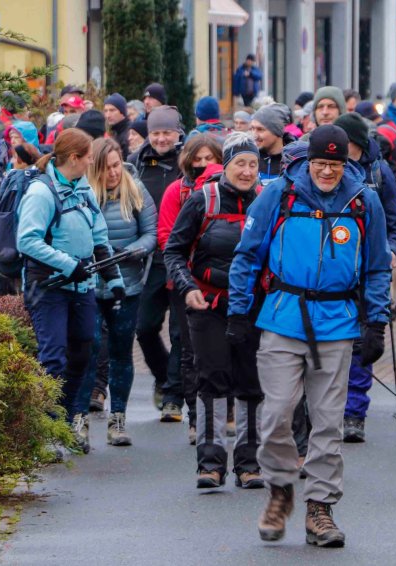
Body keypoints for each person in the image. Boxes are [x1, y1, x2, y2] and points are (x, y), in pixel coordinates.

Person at [229, 125, 391, 547]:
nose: (326, 172)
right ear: (308, 161)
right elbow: (247, 255)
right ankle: (281, 489)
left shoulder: (363, 202)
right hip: (283, 317)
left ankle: (320, 509)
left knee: (328, 422)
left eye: (335, 165)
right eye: (320, 163)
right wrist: (239, 311)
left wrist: (377, 322)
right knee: (278, 412)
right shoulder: (279, 195)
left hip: (337, 322)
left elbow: (375, 267)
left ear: (346, 164)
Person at [16, 128, 124, 457]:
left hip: (82, 286)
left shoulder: (83, 190)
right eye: (90, 155)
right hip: (47, 287)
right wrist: (66, 264)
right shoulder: (41, 192)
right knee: (53, 359)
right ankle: (45, 431)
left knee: (82, 353)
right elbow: (27, 241)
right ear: (75, 158)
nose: (94, 160)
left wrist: (114, 280)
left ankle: (61, 422)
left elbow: (100, 238)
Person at [165, 132, 264, 489]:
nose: (248, 171)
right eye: (241, 163)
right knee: (213, 379)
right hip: (207, 304)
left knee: (251, 383)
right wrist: (188, 288)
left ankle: (249, 464)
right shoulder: (202, 200)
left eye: (253, 164)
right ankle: (210, 464)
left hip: (252, 306)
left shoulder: (266, 201)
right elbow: (174, 251)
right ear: (226, 166)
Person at [334, 112, 396, 443]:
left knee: (362, 343)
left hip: (368, 272)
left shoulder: (379, 173)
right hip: (333, 272)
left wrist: (393, 251)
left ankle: (354, 413)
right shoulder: (324, 170)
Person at [82, 138, 157, 446]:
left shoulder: (135, 189)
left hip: (127, 284)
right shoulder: (84, 194)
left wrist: (135, 251)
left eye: (116, 166)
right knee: (88, 349)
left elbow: (151, 233)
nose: (113, 173)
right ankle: (79, 419)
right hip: (89, 284)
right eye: (106, 168)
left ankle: (118, 419)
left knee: (121, 352)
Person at [158, 135, 224, 443]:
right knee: (189, 352)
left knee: (227, 350)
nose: (201, 165)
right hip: (185, 284)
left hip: (222, 284)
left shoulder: (233, 192)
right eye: (197, 159)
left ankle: (226, 412)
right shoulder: (178, 191)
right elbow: (167, 237)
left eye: (208, 158)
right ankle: (196, 418)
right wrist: (185, 273)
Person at [127, 105, 184, 417]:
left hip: (181, 257)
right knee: (145, 327)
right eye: (156, 133)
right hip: (150, 259)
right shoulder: (137, 163)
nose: (161, 139)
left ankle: (174, 397)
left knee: (179, 331)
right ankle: (163, 377)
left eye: (167, 133)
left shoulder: (187, 161)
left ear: (177, 133)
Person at [250, 103, 294, 186]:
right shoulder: (250, 157)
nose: (254, 135)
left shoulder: (293, 160)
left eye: (260, 129)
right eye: (252, 128)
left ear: (277, 131)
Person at [104, 93, 132, 158]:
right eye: (105, 111)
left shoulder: (129, 133)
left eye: (112, 110)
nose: (108, 115)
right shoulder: (116, 130)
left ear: (122, 112)